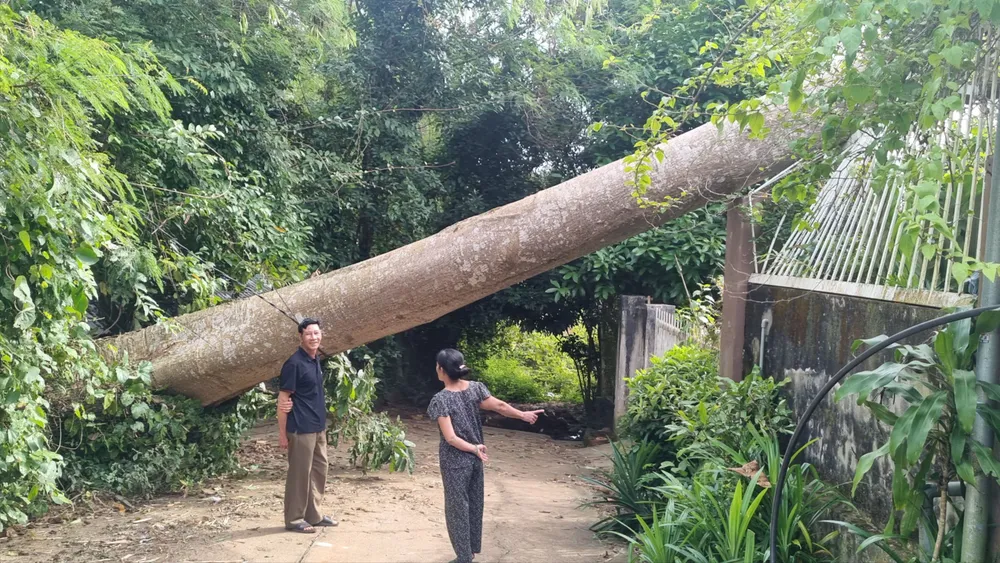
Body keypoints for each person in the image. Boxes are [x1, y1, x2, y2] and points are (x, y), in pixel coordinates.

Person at [427, 348, 545, 563]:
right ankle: (469, 552)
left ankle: (463, 557)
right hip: (476, 459)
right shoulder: (475, 389)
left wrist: (472, 448)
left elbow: (451, 439)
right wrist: (523, 415)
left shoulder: (440, 399)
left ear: (441, 370)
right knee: (474, 503)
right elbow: (499, 406)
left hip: (456, 461)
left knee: (457, 509)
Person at [276, 318, 338, 534]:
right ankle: (294, 519)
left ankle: (314, 515)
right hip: (300, 428)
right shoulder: (293, 364)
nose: (314, 337)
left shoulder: (315, 359)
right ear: (301, 336)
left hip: (318, 426)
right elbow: (283, 400)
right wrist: (283, 434)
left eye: (317, 333)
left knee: (319, 471)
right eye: (309, 334)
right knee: (300, 475)